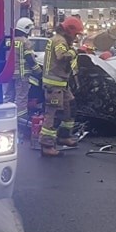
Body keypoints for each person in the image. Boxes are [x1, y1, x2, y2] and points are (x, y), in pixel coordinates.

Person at [39, 16, 84, 157]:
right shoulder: (60, 40)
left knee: (70, 107)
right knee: (53, 114)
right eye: (76, 34)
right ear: (70, 31)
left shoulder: (60, 39)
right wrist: (74, 51)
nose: (76, 37)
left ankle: (64, 136)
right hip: (54, 84)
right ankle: (47, 145)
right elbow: (60, 56)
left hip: (61, 84)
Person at [4, 18, 42, 132]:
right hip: (22, 75)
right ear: (26, 29)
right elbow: (30, 59)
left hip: (9, 74)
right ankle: (20, 122)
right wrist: (39, 72)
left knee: (8, 97)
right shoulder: (25, 42)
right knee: (21, 98)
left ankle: (6, 118)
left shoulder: (9, 40)